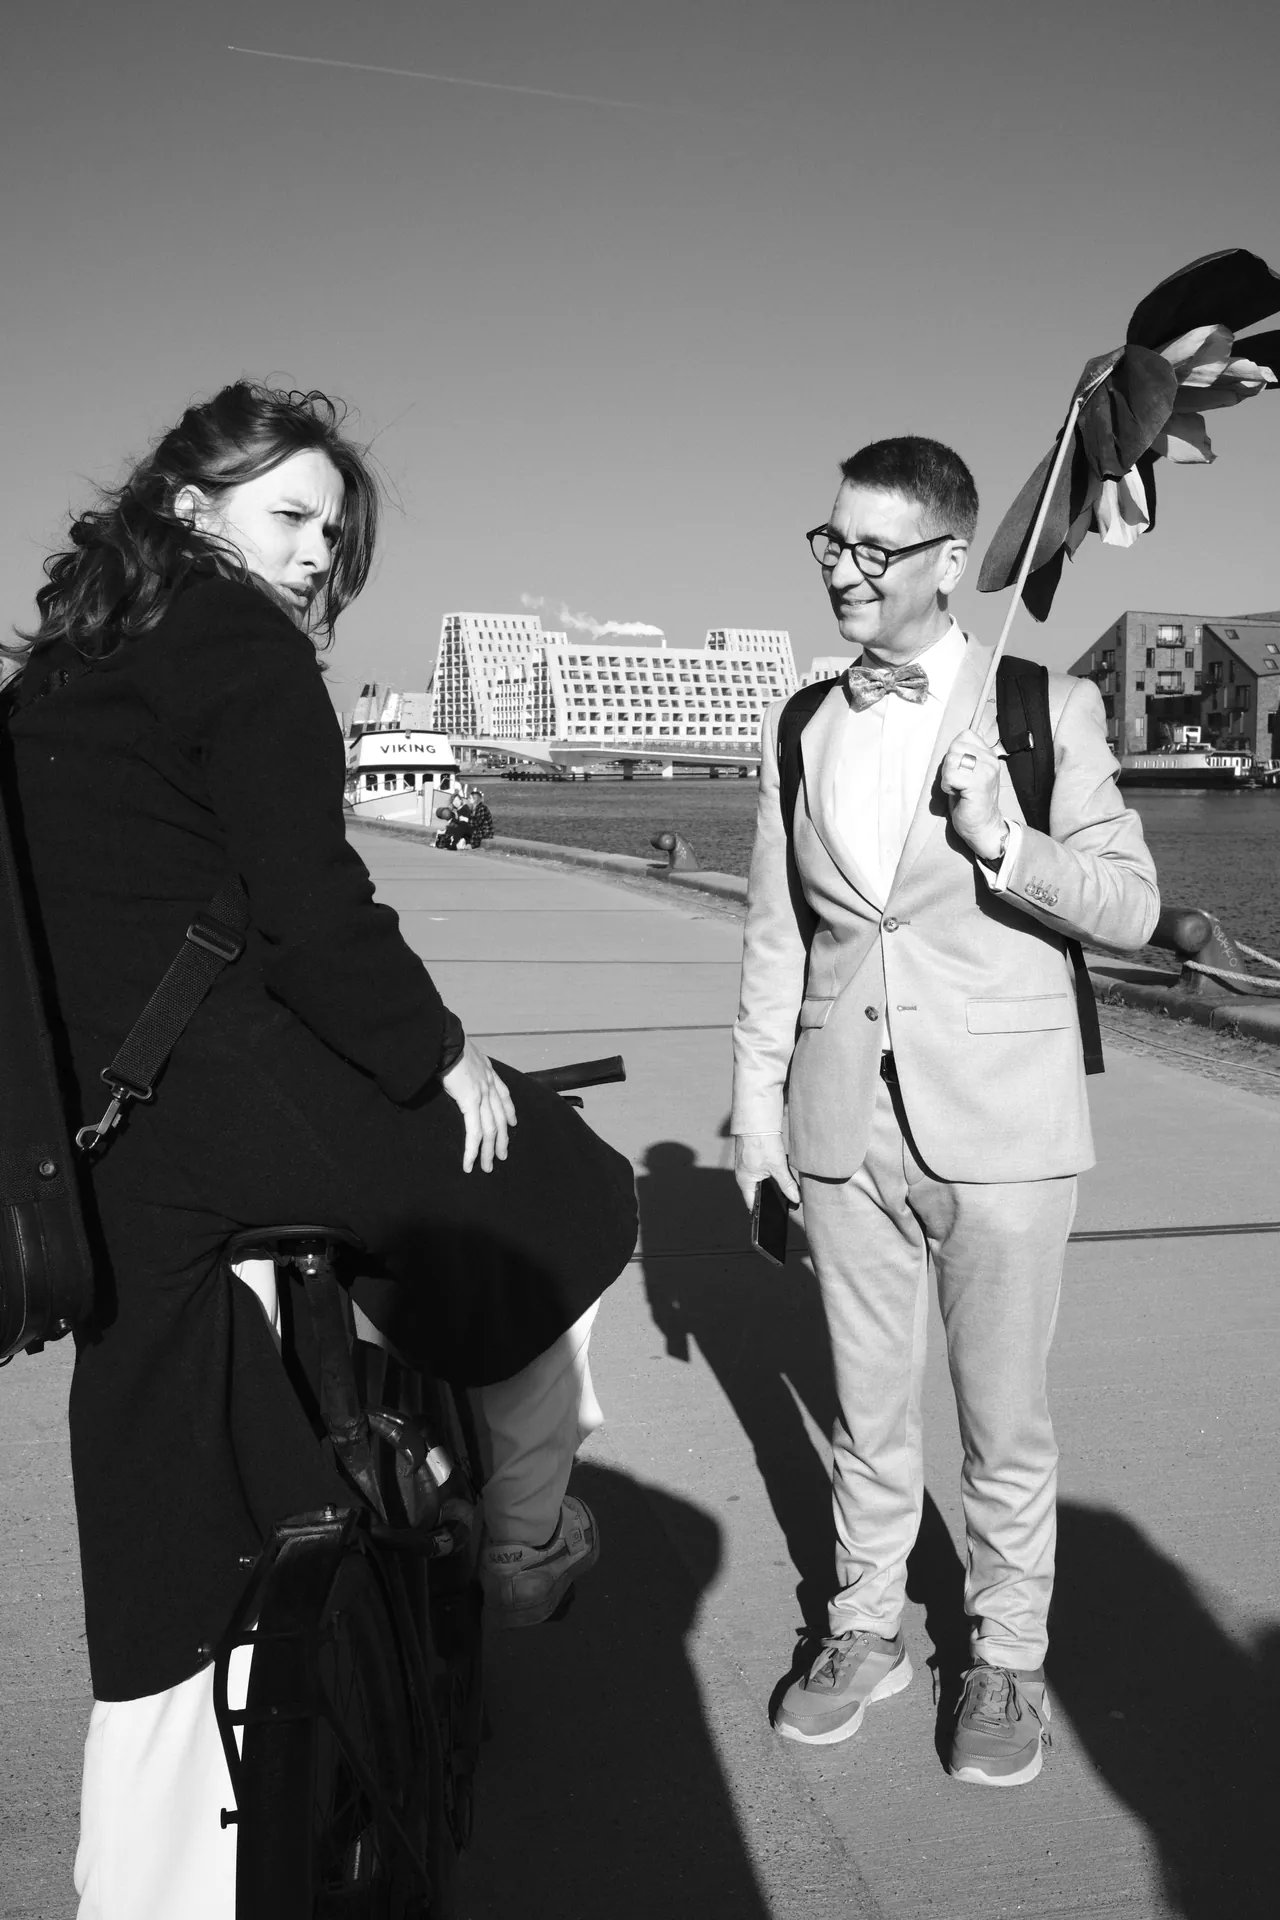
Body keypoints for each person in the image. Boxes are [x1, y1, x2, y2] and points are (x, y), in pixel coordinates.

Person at [1, 382, 637, 1917]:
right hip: (250, 1102)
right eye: (287, 515)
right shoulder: (242, 647)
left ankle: (144, 1888)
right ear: (188, 507)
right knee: (565, 1201)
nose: (311, 555)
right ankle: (525, 1546)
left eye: (329, 533)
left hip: (106, 1151)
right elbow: (311, 909)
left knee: (164, 1552)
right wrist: (445, 1057)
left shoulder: (52, 679)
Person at [731, 437, 1158, 1787]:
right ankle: (865, 1628)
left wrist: (1003, 840)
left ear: (948, 558)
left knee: (1001, 1423)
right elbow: (779, 940)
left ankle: (1007, 1659)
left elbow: (1133, 907)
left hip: (1004, 1126)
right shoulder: (801, 723)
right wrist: (757, 1127)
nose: (844, 571)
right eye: (832, 543)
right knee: (866, 1413)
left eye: (875, 549)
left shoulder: (1044, 706)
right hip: (839, 1121)